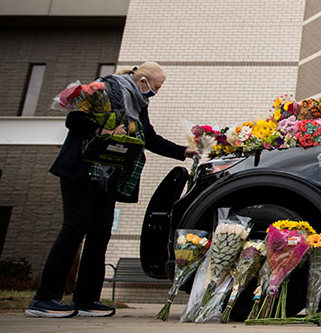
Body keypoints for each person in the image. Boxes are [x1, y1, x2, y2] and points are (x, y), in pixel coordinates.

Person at [26, 62, 199, 317]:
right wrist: (104, 131)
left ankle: (86, 299)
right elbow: (74, 121)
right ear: (142, 81)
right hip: (81, 169)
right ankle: (45, 298)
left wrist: (183, 152)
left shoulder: (138, 106)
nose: (156, 92)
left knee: (100, 232)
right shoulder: (107, 89)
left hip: (108, 175)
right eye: (156, 86)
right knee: (75, 228)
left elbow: (148, 138)